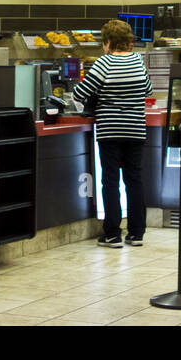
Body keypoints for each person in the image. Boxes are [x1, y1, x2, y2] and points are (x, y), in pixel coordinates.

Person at [74, 18, 152, 248]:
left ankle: (112, 234)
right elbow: (147, 90)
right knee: (134, 180)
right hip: (136, 129)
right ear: (128, 42)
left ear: (107, 42)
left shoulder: (103, 63)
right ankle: (137, 234)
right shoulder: (138, 62)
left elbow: (80, 93)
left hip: (110, 130)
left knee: (110, 181)